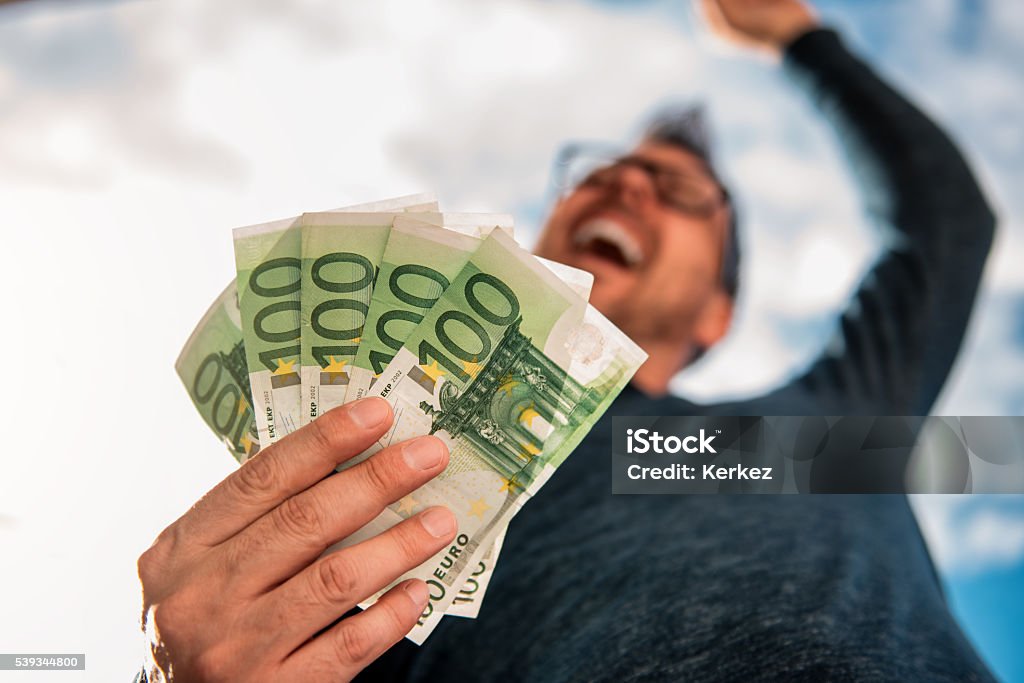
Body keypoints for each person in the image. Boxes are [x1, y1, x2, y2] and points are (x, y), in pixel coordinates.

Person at [138, 0, 998, 680]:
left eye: (678, 189)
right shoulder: (377, 476)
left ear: (716, 315)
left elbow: (947, 224)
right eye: (600, 174)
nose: (625, 184)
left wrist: (801, 38)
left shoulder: (819, 426)